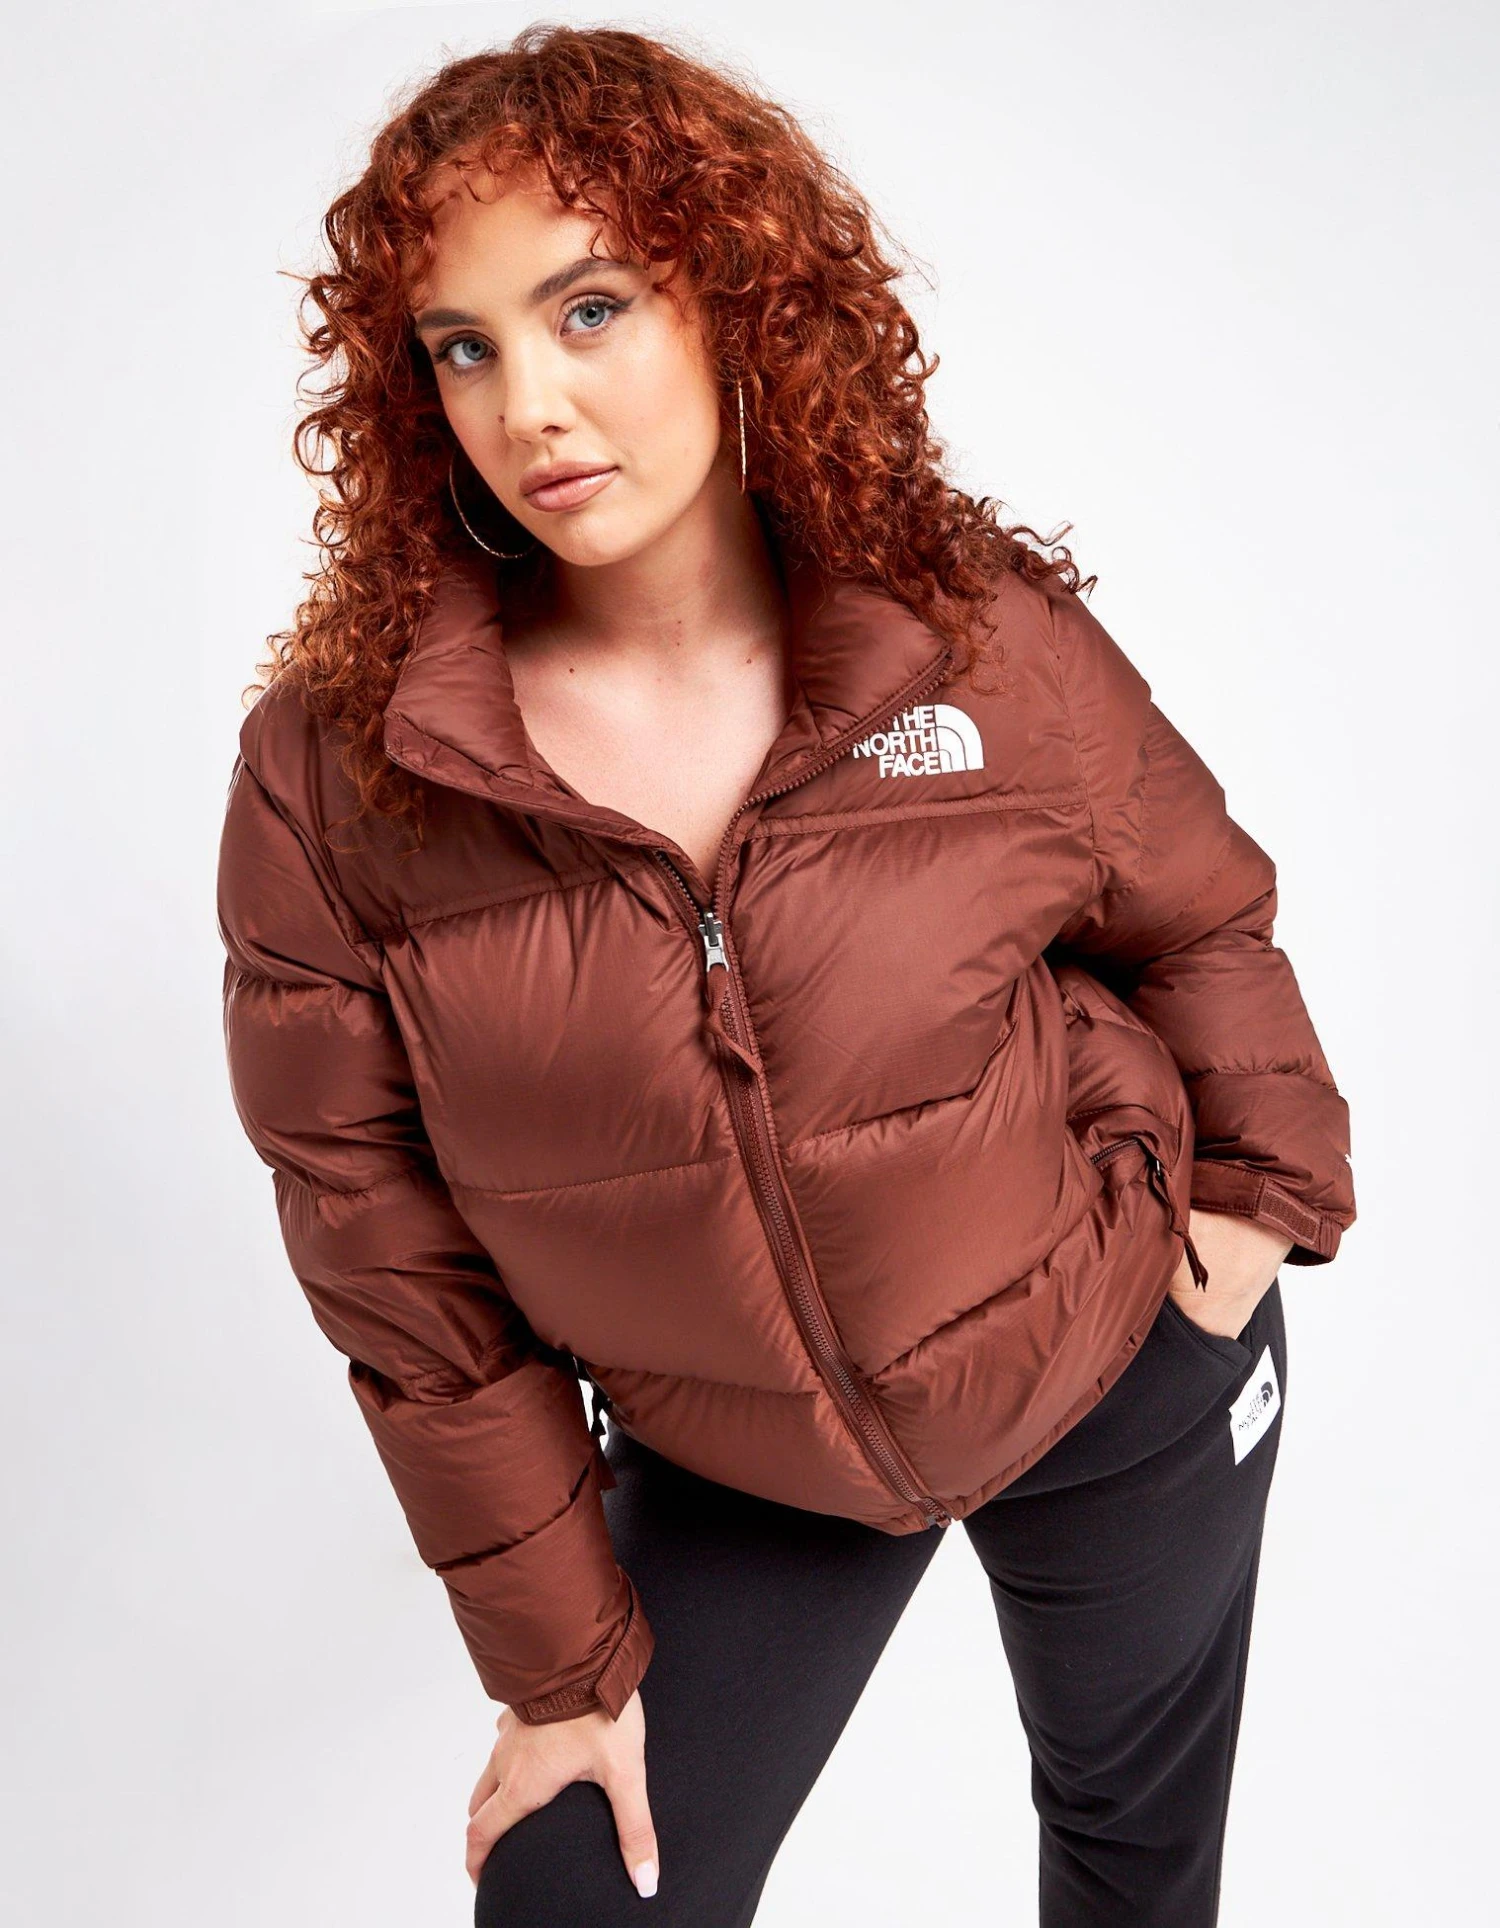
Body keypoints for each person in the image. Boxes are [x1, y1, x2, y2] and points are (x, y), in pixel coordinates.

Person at [215, 25, 1356, 1927]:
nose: (529, 403)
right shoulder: (342, 780)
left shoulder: (965, 633)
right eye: (463, 346)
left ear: (735, 297)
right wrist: (561, 1673)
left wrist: (1258, 1200)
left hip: (1111, 1348)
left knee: (1134, 1865)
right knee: (580, 1898)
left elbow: (1200, 915)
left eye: (590, 310)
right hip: (737, 1453)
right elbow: (385, 1256)